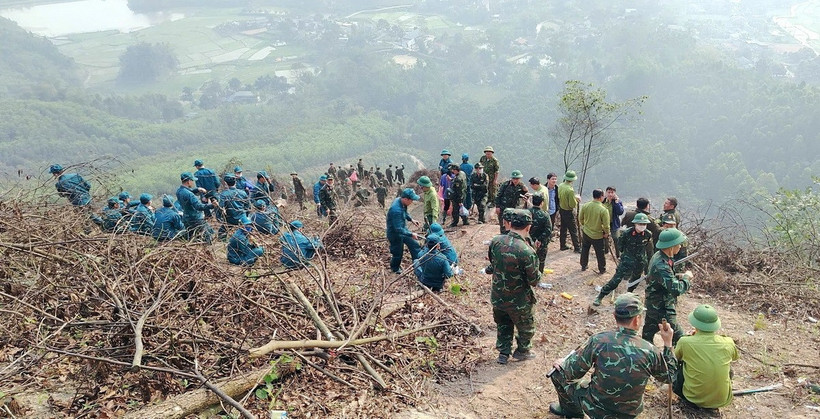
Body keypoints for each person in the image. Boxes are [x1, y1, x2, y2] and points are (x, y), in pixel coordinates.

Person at [548, 293, 677, 418]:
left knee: (556, 373)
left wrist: (564, 364)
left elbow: (572, 373)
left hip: (596, 409)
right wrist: (668, 344)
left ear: (614, 316)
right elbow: (669, 377)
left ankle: (572, 411)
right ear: (637, 319)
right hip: (629, 413)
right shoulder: (650, 350)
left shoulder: (599, 340)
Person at [489, 209, 541, 364]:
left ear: (509, 224)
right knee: (526, 326)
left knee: (503, 324)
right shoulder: (526, 251)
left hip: (498, 294)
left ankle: (503, 353)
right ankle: (522, 351)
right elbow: (534, 280)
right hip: (519, 300)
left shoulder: (496, 241)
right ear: (528, 227)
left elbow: (493, 264)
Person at [674, 305, 739, 410]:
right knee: (727, 366)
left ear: (695, 324)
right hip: (722, 400)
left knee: (682, 365)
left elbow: (677, 358)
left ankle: (692, 396)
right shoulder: (728, 342)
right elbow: (735, 357)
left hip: (692, 399)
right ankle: (715, 395)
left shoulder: (685, 342)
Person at [642, 228, 693, 345]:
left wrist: (679, 276)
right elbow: (676, 289)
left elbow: (664, 278)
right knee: (679, 338)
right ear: (671, 246)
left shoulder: (659, 256)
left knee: (648, 333)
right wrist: (686, 278)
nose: (680, 247)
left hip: (653, 302)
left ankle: (646, 354)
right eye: (678, 244)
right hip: (662, 307)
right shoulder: (662, 265)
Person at [593, 213, 653, 306]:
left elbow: (647, 247)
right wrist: (625, 255)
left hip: (640, 261)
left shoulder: (648, 234)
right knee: (616, 280)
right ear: (635, 224)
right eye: (640, 224)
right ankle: (601, 296)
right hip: (627, 260)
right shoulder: (627, 233)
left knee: (635, 279)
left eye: (644, 224)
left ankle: (629, 294)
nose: (642, 226)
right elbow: (620, 245)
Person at [386, 188, 422, 274]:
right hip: (395, 234)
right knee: (397, 253)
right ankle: (395, 268)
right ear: (406, 199)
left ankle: (418, 263)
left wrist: (411, 219)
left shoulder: (401, 201)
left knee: (414, 245)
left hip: (403, 230)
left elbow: (405, 212)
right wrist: (411, 234)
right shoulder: (396, 210)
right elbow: (398, 229)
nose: (412, 202)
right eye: (411, 200)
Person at [176, 172, 217, 244]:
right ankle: (208, 251)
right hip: (196, 219)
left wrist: (197, 189)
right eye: (192, 181)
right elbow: (199, 206)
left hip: (186, 219)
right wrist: (212, 205)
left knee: (192, 238)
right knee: (208, 234)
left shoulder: (179, 191)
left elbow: (187, 191)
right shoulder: (190, 195)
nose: (193, 182)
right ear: (189, 181)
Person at [623, 197, 661, 269]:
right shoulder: (647, 218)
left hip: (630, 240)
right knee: (648, 258)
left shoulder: (629, 214)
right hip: (644, 242)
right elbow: (657, 229)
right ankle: (648, 272)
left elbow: (623, 224)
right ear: (647, 206)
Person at [578, 189, 610, 274]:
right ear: (601, 197)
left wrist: (585, 225)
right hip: (598, 235)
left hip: (586, 232)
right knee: (600, 253)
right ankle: (602, 269)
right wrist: (606, 233)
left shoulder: (586, 205)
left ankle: (583, 265)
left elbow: (580, 218)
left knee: (585, 249)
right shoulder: (603, 210)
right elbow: (606, 225)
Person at [217, 175, 250, 240]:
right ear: (235, 182)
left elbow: (220, 207)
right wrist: (246, 216)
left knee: (221, 233)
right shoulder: (242, 193)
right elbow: (248, 206)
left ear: (226, 183)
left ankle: (223, 242)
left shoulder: (224, 194)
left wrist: (220, 218)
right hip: (242, 218)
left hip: (231, 218)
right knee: (247, 231)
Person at [557, 170, 581, 253]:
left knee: (563, 228)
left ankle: (562, 245)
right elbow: (572, 204)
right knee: (573, 230)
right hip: (568, 211)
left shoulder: (561, 185)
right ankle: (577, 248)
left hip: (562, 209)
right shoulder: (570, 190)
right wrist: (576, 199)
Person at [528, 195, 553, 273]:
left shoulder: (527, 212)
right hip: (541, 243)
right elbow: (548, 230)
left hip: (527, 241)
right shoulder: (545, 215)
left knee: (528, 260)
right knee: (540, 261)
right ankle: (538, 278)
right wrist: (539, 239)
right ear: (542, 203)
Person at [602, 186, 624, 257]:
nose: (610, 194)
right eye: (609, 192)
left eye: (612, 192)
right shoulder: (602, 201)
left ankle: (618, 255)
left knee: (616, 239)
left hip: (614, 223)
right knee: (604, 238)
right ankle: (605, 252)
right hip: (604, 223)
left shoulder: (617, 202)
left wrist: (616, 202)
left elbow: (620, 212)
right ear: (606, 193)